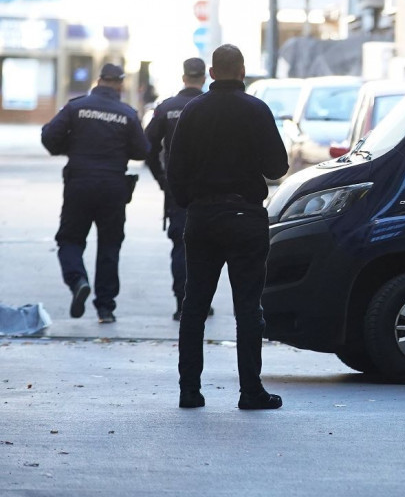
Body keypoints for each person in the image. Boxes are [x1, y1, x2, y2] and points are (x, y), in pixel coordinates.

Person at [167, 44, 289, 410]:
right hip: (245, 218)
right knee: (249, 309)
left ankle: (190, 390)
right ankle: (250, 391)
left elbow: (175, 169)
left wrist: (194, 202)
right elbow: (277, 167)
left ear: (212, 73)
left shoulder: (192, 110)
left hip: (203, 218)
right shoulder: (256, 110)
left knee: (194, 307)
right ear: (242, 71)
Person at [41, 63, 150, 324]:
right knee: (110, 246)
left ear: (99, 80)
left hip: (79, 183)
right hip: (113, 187)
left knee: (70, 240)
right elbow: (142, 150)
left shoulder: (76, 107)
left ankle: (78, 279)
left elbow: (49, 137)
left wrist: (71, 147)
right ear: (120, 85)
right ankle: (105, 308)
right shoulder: (127, 114)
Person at [144, 57, 213, 320]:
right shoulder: (211, 107)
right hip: (209, 189)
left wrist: (162, 179)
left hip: (177, 188)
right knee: (207, 247)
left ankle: (182, 303)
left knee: (181, 245)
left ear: (183, 77)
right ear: (204, 78)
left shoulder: (167, 108)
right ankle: (201, 302)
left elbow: (146, 147)